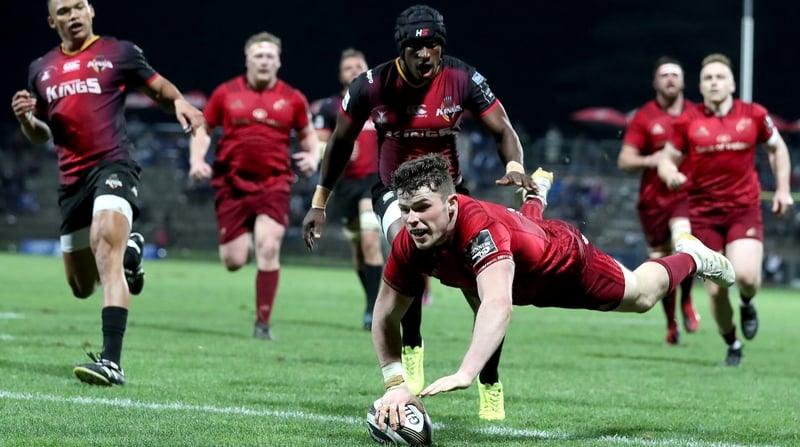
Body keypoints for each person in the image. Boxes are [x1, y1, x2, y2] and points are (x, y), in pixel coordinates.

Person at [369, 154, 735, 431]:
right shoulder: (409, 242)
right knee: (526, 230)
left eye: (421, 208)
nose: (412, 219)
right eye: (405, 210)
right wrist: (395, 384)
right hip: (526, 266)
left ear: (450, 205)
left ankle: (692, 257)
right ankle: (536, 196)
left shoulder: (480, 231)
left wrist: (467, 372)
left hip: (565, 264)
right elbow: (385, 314)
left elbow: (498, 304)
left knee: (641, 296)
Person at [301, 4, 534, 420]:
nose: (425, 55)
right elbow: (338, 143)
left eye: (433, 46)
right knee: (406, 250)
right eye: (416, 47)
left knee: (481, 292)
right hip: (394, 191)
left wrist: (514, 166)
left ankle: (489, 380)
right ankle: (411, 348)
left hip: (452, 196)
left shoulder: (461, 77)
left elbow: (503, 128)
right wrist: (319, 202)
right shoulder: (370, 86)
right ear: (401, 50)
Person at [9, 0, 205, 386]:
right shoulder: (40, 70)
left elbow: (159, 87)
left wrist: (179, 101)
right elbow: (41, 135)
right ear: (52, 21)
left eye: (79, 6)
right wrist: (26, 120)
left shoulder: (119, 52)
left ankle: (111, 362)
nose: (73, 15)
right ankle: (131, 251)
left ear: (91, 10)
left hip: (113, 165)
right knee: (81, 286)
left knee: (104, 246)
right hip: (71, 181)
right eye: (63, 11)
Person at [658, 53, 793, 366]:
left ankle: (747, 302)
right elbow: (667, 159)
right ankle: (733, 344)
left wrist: (783, 190)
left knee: (746, 277)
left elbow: (778, 148)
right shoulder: (688, 121)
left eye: (720, 77)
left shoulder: (754, 115)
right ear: (701, 87)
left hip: (743, 210)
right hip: (703, 215)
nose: (714, 82)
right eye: (708, 78)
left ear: (732, 83)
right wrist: (671, 174)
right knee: (717, 292)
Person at [189, 31, 319, 340]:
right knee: (233, 261)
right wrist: (197, 161)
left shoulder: (292, 98)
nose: (264, 61)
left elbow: (308, 134)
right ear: (247, 59)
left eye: (270, 56)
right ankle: (243, 242)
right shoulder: (225, 93)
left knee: (269, 245)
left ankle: (262, 323)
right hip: (231, 184)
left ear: (279, 61)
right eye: (258, 56)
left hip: (273, 184)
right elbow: (203, 130)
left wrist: (313, 157)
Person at [618, 56, 699, 345]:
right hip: (653, 201)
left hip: (686, 196)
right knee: (662, 260)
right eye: (664, 75)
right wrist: (655, 158)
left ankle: (688, 301)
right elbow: (624, 160)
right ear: (655, 82)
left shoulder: (696, 114)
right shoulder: (645, 117)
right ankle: (671, 322)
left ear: (684, 81)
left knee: (684, 244)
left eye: (675, 74)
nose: (670, 79)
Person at [311, 48, 383, 331]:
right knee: (357, 250)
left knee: (369, 240)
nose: (353, 70)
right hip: (344, 186)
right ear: (341, 75)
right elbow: (317, 145)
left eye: (359, 66)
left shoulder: (380, 105)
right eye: (348, 67)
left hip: (374, 182)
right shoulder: (330, 108)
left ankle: (375, 310)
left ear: (367, 71)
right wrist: (337, 148)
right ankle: (370, 302)